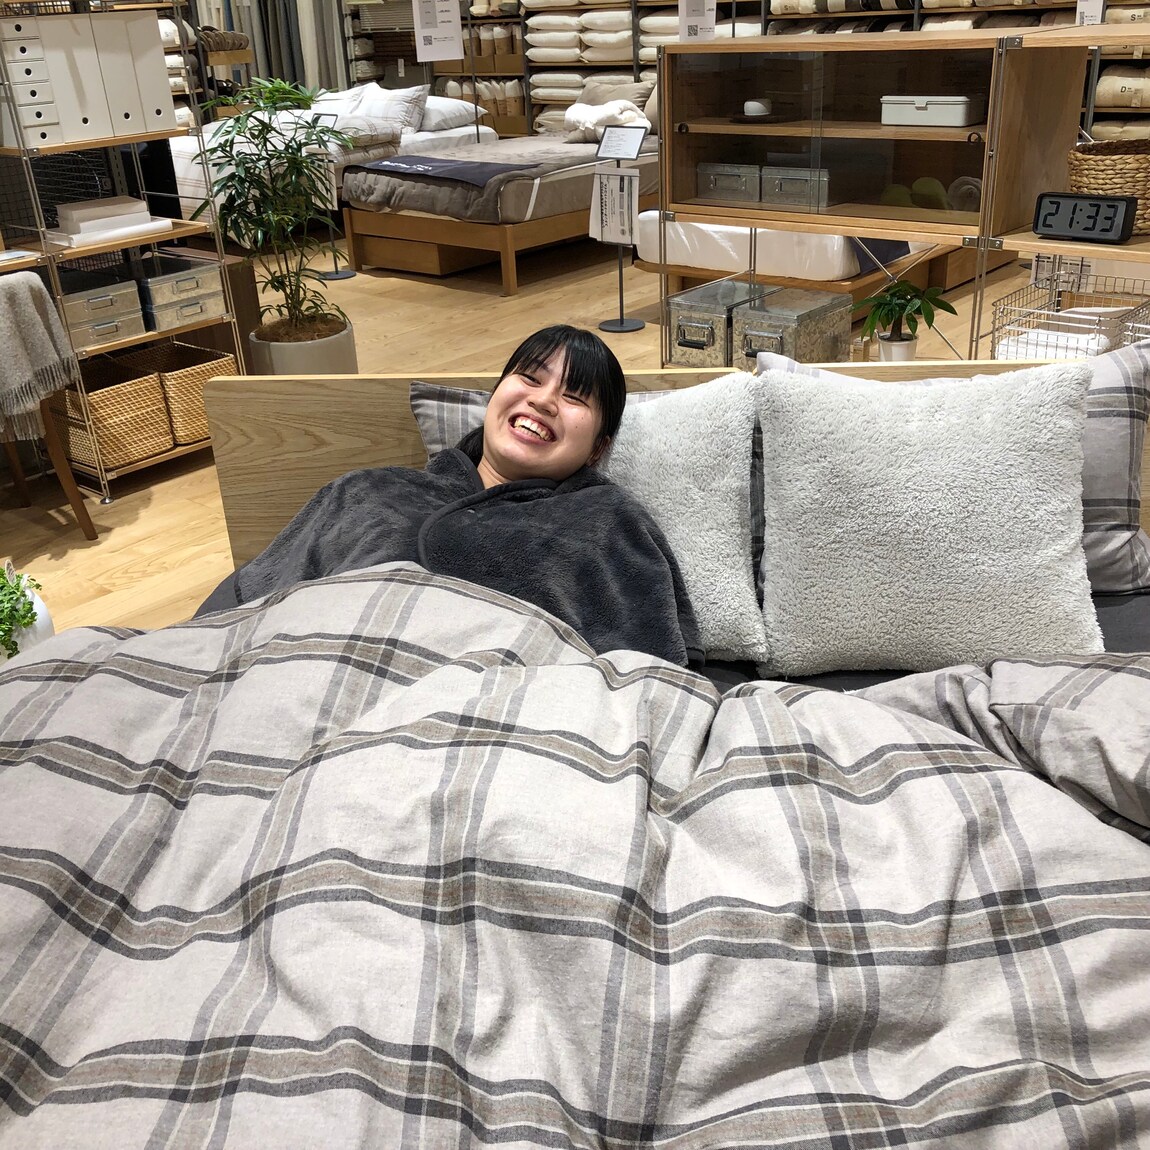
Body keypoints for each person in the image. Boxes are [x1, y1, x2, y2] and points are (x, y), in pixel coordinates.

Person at [195, 325, 700, 666]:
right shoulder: (368, 491)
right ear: (497, 395)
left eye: (573, 397)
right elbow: (240, 606)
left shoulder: (610, 523)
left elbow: (655, 676)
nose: (543, 401)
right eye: (529, 378)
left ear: (599, 448)